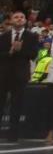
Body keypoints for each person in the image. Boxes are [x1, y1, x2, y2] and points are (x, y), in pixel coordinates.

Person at [0, 12, 39, 141]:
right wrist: (10, 51)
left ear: (25, 20)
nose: (19, 19)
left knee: (17, 104)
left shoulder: (31, 36)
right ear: (11, 20)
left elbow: (34, 55)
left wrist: (21, 50)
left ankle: (13, 134)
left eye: (21, 17)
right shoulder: (3, 36)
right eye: (16, 17)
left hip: (20, 75)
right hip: (4, 74)